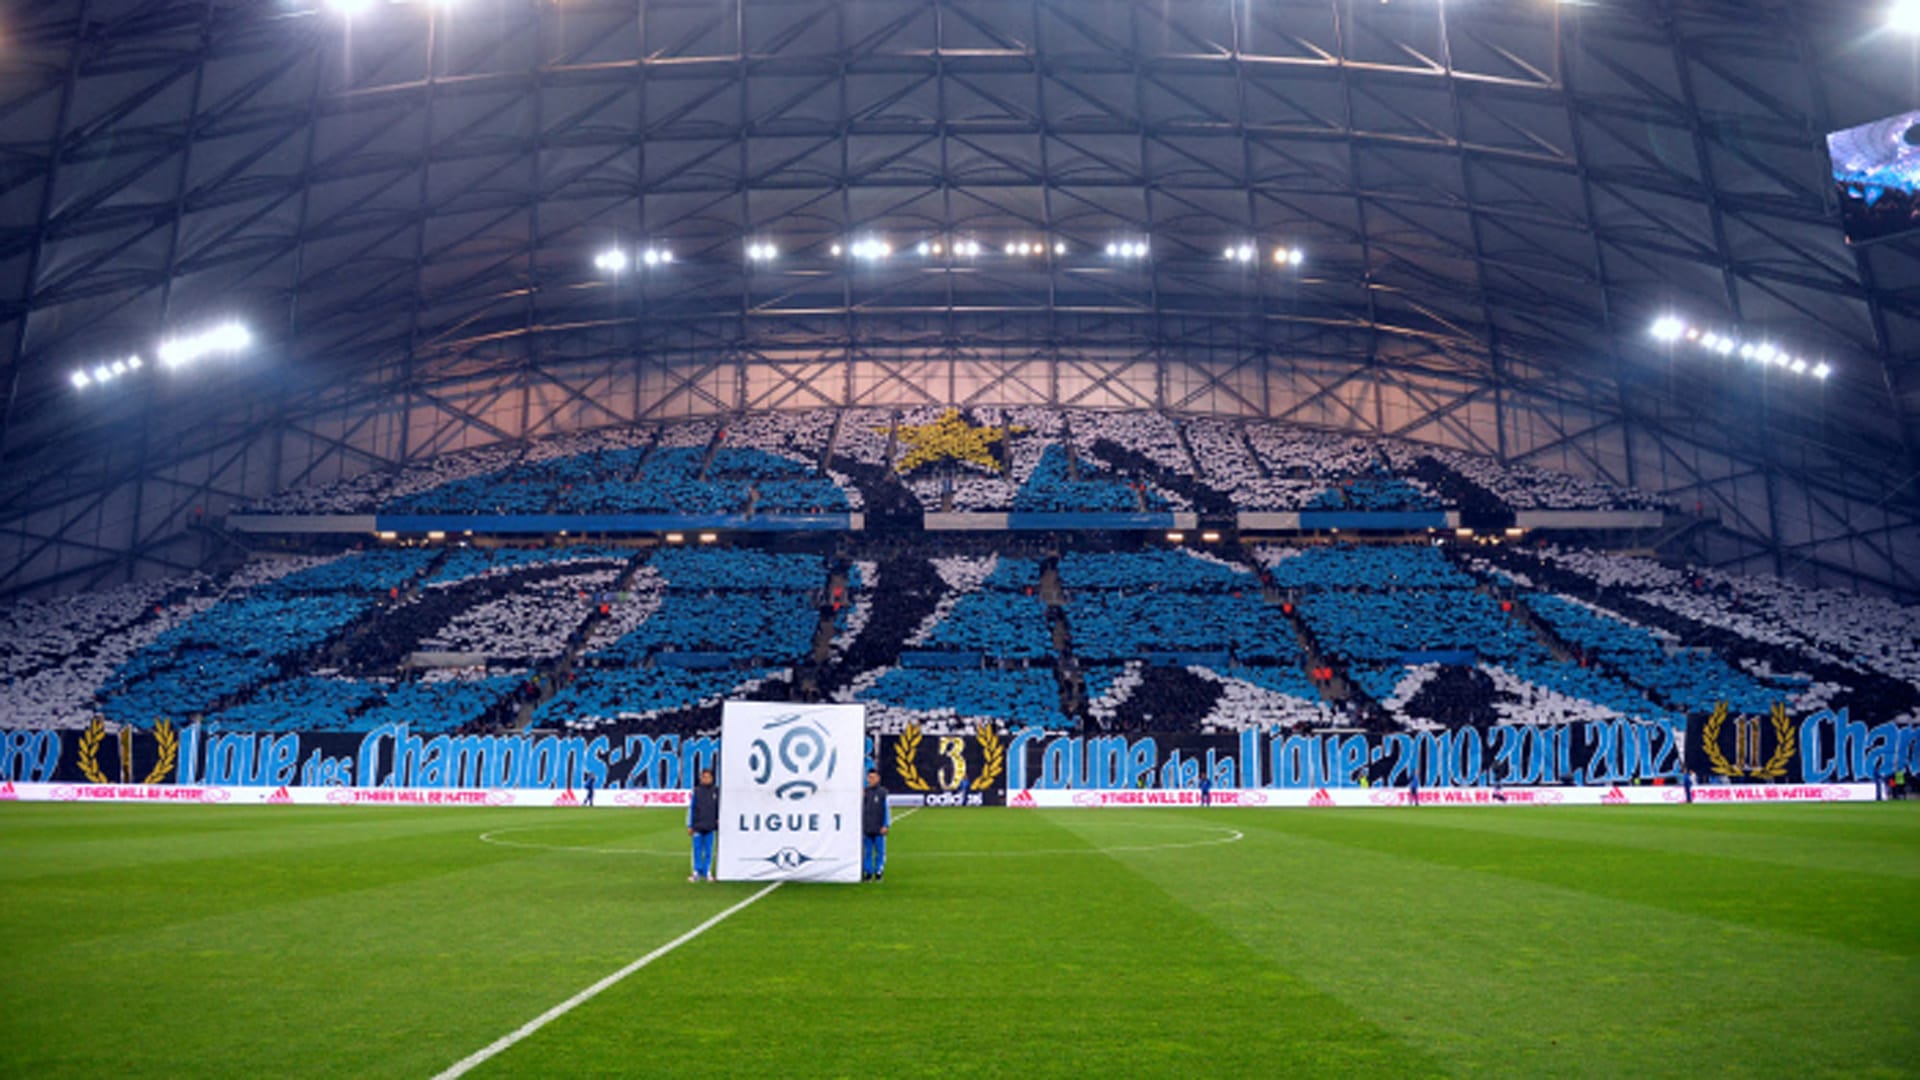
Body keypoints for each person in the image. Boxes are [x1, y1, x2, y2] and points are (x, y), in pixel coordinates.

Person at [687, 768, 718, 883]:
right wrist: (690, 825)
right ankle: (696, 872)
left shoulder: (716, 791)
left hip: (710, 825)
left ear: (712, 778)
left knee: (709, 850)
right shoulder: (697, 791)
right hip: (698, 826)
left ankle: (707, 872)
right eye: (704, 777)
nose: (706, 779)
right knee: (697, 850)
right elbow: (691, 809)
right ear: (701, 778)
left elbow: (719, 808)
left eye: (708, 777)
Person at [862, 768, 890, 882]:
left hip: (879, 828)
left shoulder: (883, 793)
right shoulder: (865, 792)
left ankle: (879, 871)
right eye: (869, 777)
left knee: (880, 852)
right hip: (867, 827)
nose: (870, 780)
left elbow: (886, 810)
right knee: (867, 852)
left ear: (878, 778)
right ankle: (868, 872)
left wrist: (886, 825)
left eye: (873, 777)